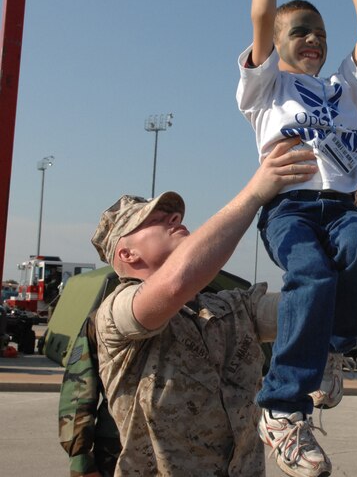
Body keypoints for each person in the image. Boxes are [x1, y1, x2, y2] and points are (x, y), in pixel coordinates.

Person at [236, 0, 357, 477]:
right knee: (312, 275)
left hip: (343, 207)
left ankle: (331, 350)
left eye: (320, 34)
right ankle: (281, 407)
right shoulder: (267, 87)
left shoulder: (341, 88)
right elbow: (260, 21)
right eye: (300, 33)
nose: (314, 41)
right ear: (277, 45)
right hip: (290, 208)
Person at [91, 139, 318, 477]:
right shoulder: (115, 312)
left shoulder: (232, 307)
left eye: (172, 214)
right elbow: (174, 283)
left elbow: (314, 307)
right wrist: (255, 194)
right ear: (126, 254)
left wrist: (334, 212)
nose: (174, 217)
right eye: (153, 219)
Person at [59, 308, 121, 477]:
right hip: (118, 454)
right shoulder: (109, 315)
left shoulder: (198, 313)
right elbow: (77, 391)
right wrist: (81, 461)